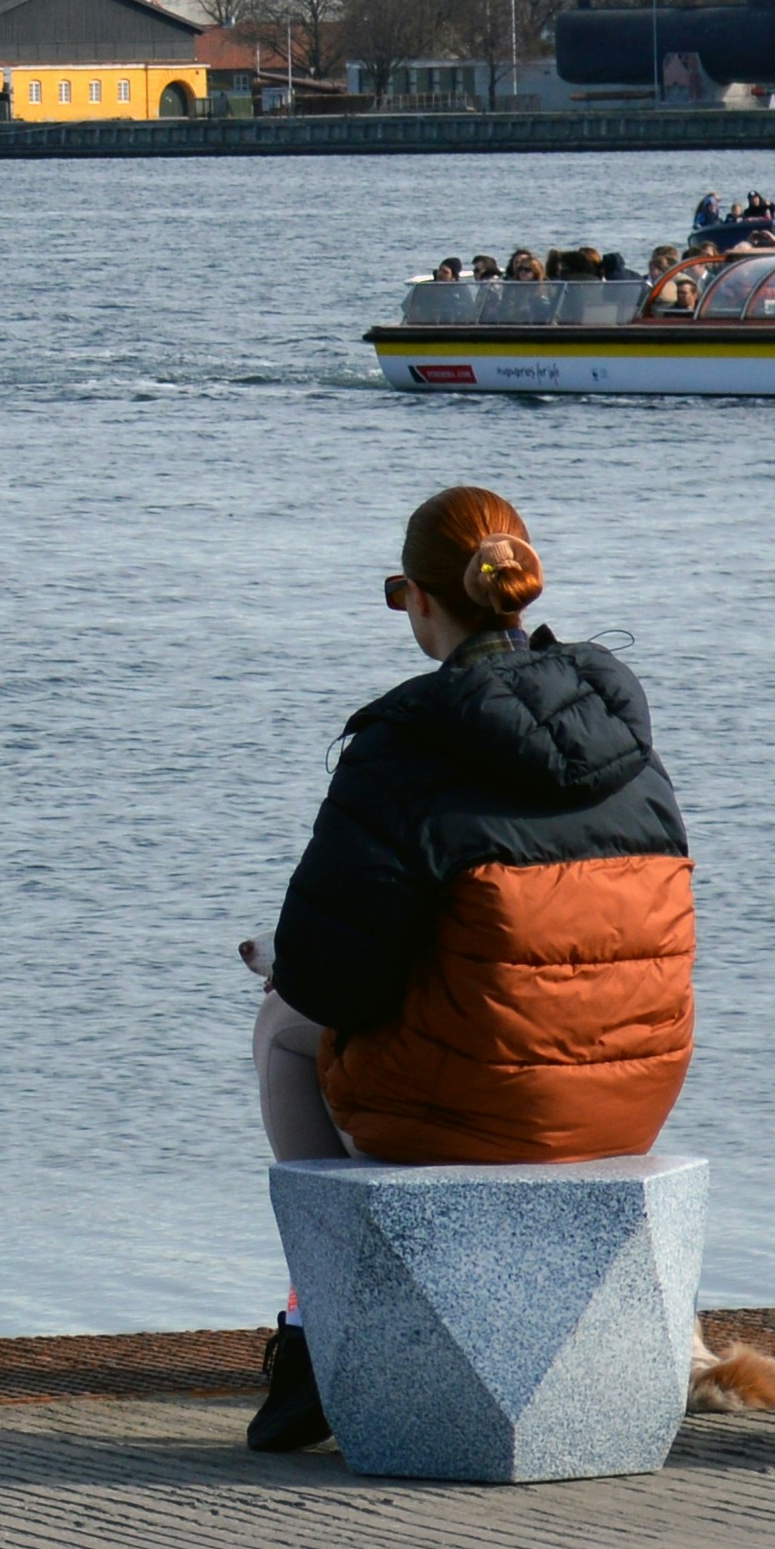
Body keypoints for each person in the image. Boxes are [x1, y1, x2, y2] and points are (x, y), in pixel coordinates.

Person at [236, 485, 703, 1453]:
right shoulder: (622, 724)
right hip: (631, 1102)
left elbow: (333, 985)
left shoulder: (403, 744)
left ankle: (315, 1324)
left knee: (283, 1019)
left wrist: (293, 966)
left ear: (417, 598)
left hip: (477, 1108)